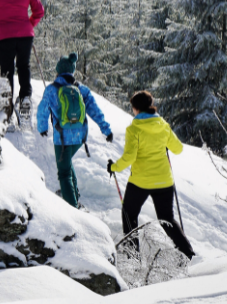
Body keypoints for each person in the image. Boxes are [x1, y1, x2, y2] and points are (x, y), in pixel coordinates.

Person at [107, 91, 195, 260]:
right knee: (167, 219)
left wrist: (114, 167)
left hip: (141, 181)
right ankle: (188, 253)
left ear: (136, 108)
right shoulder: (163, 125)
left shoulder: (134, 129)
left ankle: (133, 257)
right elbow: (178, 148)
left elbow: (130, 157)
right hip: (164, 181)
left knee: (129, 215)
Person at [37, 52, 113, 208]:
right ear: (72, 71)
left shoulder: (52, 89)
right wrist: (106, 130)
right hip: (80, 137)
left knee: (63, 172)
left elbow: (42, 110)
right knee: (67, 163)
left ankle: (73, 208)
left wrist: (42, 128)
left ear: (58, 71)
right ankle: (73, 193)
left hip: (62, 138)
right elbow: (95, 111)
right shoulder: (82, 89)